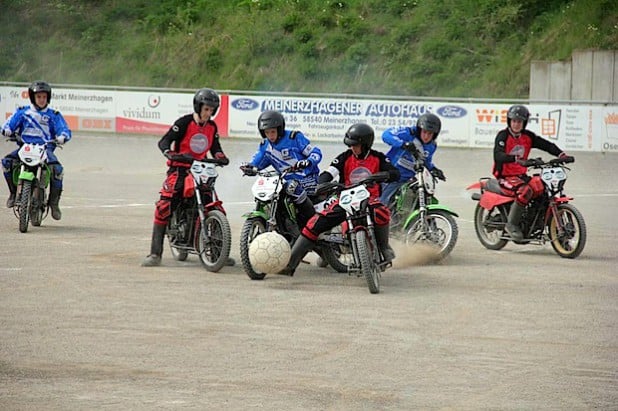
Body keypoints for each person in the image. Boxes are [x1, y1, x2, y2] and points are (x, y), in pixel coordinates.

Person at [278, 123, 400, 276]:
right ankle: (290, 266)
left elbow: (395, 173)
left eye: (356, 145)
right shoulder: (344, 157)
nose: (352, 148)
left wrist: (386, 175)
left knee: (381, 212)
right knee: (313, 224)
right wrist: (321, 184)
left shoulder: (378, 158)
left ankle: (384, 248)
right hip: (346, 199)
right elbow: (329, 173)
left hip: (369, 198)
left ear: (366, 144)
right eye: (350, 145)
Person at [142, 88, 232, 267]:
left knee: (210, 204)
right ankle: (155, 254)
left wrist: (221, 157)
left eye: (212, 110)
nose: (209, 113)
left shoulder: (212, 127)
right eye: (206, 109)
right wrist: (169, 153)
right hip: (180, 170)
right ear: (198, 107)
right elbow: (164, 141)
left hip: (202, 170)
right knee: (164, 206)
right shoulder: (183, 123)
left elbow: (216, 148)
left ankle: (217, 252)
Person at [493, 104, 571, 241]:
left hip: (521, 176)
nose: (517, 124)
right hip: (505, 177)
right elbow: (498, 155)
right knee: (525, 191)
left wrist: (561, 154)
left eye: (520, 121)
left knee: (542, 187)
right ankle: (511, 225)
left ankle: (535, 221)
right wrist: (516, 159)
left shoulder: (528, 136)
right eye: (514, 121)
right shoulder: (503, 136)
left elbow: (546, 145)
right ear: (509, 121)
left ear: (524, 123)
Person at [240, 110, 322, 230]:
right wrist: (249, 168)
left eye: (273, 131)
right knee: (269, 190)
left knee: (292, 187)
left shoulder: (295, 137)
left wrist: (308, 161)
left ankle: (312, 225)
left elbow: (316, 153)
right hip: (282, 181)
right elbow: (257, 162)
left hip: (308, 178)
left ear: (280, 129)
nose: (270, 135)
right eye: (267, 132)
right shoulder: (265, 146)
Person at [1, 80, 71, 220]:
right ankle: (13, 193)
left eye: (44, 97)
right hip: (25, 147)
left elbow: (64, 129)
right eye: (38, 97)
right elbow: (9, 124)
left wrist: (63, 136)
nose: (41, 100)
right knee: (6, 162)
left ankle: (53, 203)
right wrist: (7, 130)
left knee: (57, 170)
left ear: (48, 98)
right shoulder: (23, 112)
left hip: (45, 149)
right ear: (33, 97)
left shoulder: (54, 115)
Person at [379, 113, 445, 206]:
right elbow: (386, 135)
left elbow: (426, 161)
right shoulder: (408, 133)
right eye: (424, 132)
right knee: (382, 204)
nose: (426, 136)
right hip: (392, 176)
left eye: (430, 134)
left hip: (407, 180)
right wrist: (402, 144)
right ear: (419, 129)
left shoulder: (431, 146)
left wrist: (433, 169)